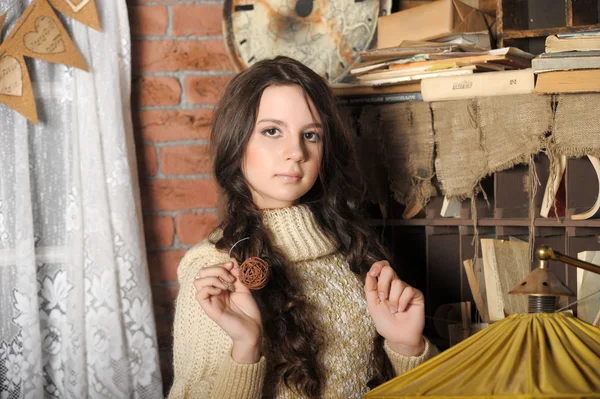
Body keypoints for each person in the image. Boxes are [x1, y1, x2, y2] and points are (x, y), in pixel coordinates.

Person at [168, 56, 437, 399]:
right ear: (236, 144)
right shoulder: (213, 270)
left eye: (310, 135)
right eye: (271, 131)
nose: (295, 152)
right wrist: (246, 347)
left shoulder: (352, 249)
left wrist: (407, 348)